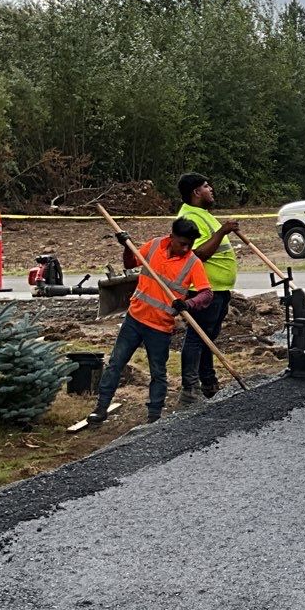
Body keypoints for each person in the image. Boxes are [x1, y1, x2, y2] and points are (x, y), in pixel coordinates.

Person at [87, 218, 213, 426]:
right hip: (134, 318)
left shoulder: (193, 263)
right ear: (171, 237)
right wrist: (126, 247)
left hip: (160, 327)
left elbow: (206, 294)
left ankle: (154, 418)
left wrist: (188, 305)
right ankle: (101, 409)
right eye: (182, 243)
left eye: (190, 244)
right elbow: (130, 263)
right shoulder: (154, 245)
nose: (186, 248)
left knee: (158, 373)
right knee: (115, 364)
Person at [176, 173, 238, 403]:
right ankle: (190, 389)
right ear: (196, 192)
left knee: (208, 337)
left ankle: (208, 382)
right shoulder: (189, 218)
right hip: (204, 289)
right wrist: (223, 231)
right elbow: (198, 253)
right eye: (205, 186)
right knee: (197, 337)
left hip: (219, 288)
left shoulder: (204, 215)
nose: (210, 188)